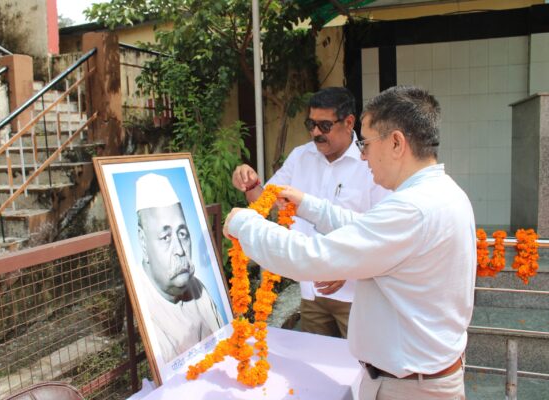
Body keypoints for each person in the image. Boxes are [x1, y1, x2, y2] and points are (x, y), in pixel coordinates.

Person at [224, 86, 475, 399]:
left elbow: (313, 257)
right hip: (417, 376)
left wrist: (243, 224)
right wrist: (307, 205)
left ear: (396, 143)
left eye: (366, 143)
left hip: (408, 386)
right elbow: (364, 229)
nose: (364, 154)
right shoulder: (441, 193)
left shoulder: (411, 209)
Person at [232, 87, 389, 339]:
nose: (316, 132)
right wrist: (248, 182)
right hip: (312, 291)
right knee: (316, 363)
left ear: (349, 122)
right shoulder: (301, 156)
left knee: (360, 368)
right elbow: (264, 200)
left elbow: (380, 230)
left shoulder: (368, 163)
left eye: (324, 125)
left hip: (356, 293)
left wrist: (350, 268)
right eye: (311, 124)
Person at [135, 173, 223, 363]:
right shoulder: (142, 300)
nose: (180, 251)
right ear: (143, 242)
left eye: (182, 234)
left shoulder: (197, 288)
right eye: (166, 238)